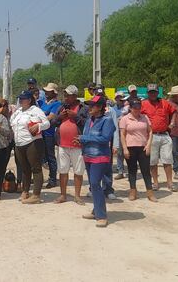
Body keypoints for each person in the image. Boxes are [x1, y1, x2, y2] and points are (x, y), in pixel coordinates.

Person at [79, 95, 116, 228]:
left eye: (92, 105)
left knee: (95, 184)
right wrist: (81, 140)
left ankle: (102, 215)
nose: (89, 108)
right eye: (89, 105)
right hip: (88, 155)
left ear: (100, 107)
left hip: (100, 156)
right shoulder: (90, 120)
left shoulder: (108, 120)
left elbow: (105, 139)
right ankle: (96, 210)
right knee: (93, 184)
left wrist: (84, 137)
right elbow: (88, 137)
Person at [10, 91, 50, 204]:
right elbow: (12, 123)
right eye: (20, 99)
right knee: (24, 169)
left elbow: (47, 123)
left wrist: (38, 125)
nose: (21, 101)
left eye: (24, 99)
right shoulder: (17, 112)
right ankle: (25, 191)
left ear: (29, 100)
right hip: (19, 143)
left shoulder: (35, 110)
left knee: (36, 168)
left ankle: (36, 194)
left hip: (32, 142)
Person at [52, 85, 88, 204]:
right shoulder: (62, 107)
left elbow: (87, 124)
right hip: (62, 144)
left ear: (75, 96)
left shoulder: (83, 108)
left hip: (78, 145)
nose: (66, 97)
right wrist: (60, 117)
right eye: (65, 95)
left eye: (68, 95)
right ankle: (63, 195)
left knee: (78, 171)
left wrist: (75, 116)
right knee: (63, 170)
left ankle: (77, 196)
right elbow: (53, 122)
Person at [140, 84, 178, 193]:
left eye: (154, 92)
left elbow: (174, 111)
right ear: (147, 93)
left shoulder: (165, 103)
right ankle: (155, 183)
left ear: (158, 93)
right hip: (151, 136)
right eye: (150, 92)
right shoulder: (143, 104)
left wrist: (172, 122)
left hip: (165, 134)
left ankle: (170, 183)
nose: (153, 94)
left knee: (167, 159)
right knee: (153, 161)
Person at [119, 98, 157, 202]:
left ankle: (149, 192)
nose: (137, 109)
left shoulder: (145, 118)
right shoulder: (125, 119)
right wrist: (124, 148)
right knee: (132, 170)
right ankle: (133, 191)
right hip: (130, 147)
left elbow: (150, 132)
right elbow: (122, 135)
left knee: (146, 170)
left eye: (139, 107)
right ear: (130, 108)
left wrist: (149, 145)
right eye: (134, 107)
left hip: (143, 147)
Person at [40, 83, 61, 188]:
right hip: (41, 132)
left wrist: (39, 122)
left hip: (49, 133)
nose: (46, 93)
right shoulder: (43, 102)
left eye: (49, 91)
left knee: (50, 156)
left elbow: (51, 116)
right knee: (41, 155)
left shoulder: (57, 104)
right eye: (46, 91)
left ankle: (53, 179)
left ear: (53, 93)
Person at [111, 92, 128, 180]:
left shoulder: (128, 107)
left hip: (128, 133)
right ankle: (120, 171)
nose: (119, 99)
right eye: (117, 98)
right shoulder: (112, 109)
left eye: (121, 98)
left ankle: (131, 171)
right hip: (118, 133)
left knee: (129, 153)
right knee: (120, 153)